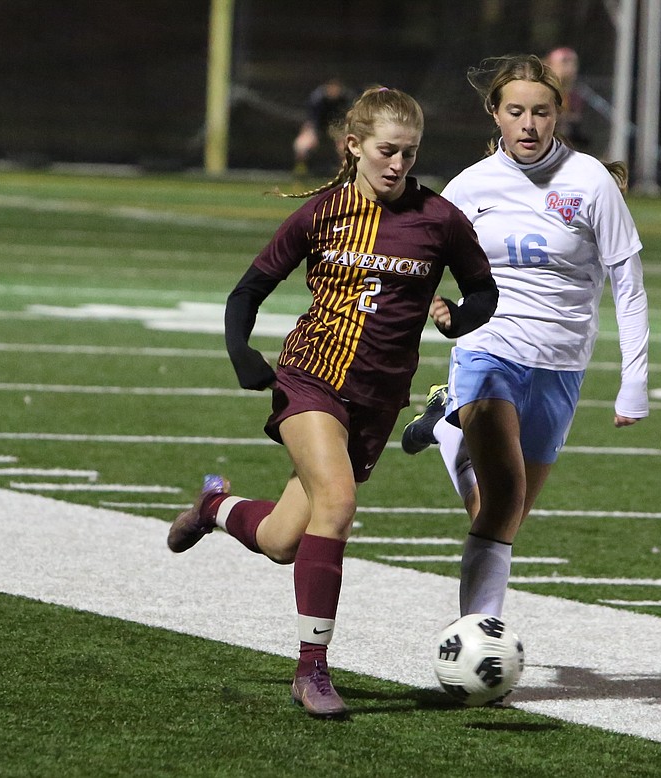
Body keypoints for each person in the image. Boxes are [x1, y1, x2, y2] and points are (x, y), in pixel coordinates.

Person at [166, 85, 497, 718]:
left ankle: (215, 505)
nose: (398, 164)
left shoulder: (440, 219)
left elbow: (484, 294)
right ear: (354, 146)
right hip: (311, 377)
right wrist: (243, 354)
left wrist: (457, 319)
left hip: (378, 400)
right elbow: (248, 290)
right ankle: (312, 670)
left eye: (409, 152)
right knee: (338, 503)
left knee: (284, 539)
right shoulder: (324, 212)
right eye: (386, 151)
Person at [401, 54, 649, 621]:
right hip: (489, 350)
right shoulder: (470, 187)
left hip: (561, 363)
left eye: (541, 112)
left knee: (501, 513)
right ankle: (478, 636)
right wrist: (430, 314)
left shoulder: (590, 182)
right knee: (502, 506)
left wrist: (634, 381)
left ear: (558, 113)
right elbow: (420, 264)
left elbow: (628, 284)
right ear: (496, 114)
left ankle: (447, 430)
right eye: (516, 112)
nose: (529, 125)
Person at [292, 77, 354, 176]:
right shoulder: (317, 98)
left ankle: (344, 170)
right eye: (331, 87)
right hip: (317, 127)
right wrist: (310, 131)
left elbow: (349, 118)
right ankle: (301, 168)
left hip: (337, 127)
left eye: (336, 88)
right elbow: (310, 121)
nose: (333, 90)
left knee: (345, 146)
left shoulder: (345, 98)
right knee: (301, 145)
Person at [544, 47, 588, 149]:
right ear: (549, 65)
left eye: (573, 63)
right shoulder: (541, 93)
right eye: (564, 62)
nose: (570, 68)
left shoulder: (576, 95)